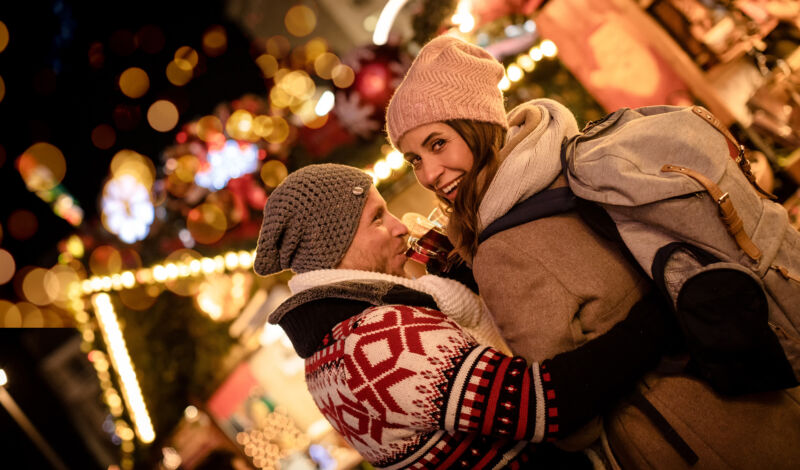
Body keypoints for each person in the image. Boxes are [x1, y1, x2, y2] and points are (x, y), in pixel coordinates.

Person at [385, 35, 800, 469]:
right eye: (413, 158)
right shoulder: (573, 166)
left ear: (477, 125)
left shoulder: (501, 252)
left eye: (437, 144)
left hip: (690, 435)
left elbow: (570, 418)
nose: (430, 174)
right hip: (760, 382)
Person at [253, 163, 675, 469]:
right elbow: (542, 402)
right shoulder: (372, 347)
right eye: (377, 218)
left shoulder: (334, 346)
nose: (399, 226)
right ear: (333, 250)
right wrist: (662, 311)